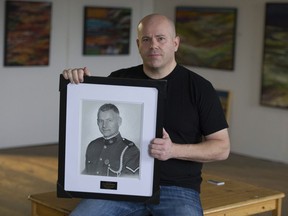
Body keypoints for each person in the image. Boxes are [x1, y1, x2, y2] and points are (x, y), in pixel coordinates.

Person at [63, 13, 230, 216]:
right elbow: (87, 98)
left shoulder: (200, 88)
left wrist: (173, 150)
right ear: (138, 44)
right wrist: (79, 83)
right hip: (121, 185)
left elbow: (221, 147)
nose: (153, 45)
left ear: (175, 43)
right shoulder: (119, 79)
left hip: (176, 189)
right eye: (146, 39)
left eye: (161, 38)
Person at [83, 103, 140, 177]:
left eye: (109, 120)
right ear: (97, 122)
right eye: (101, 121)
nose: (104, 125)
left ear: (119, 121)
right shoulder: (92, 146)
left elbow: (128, 185)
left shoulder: (130, 150)